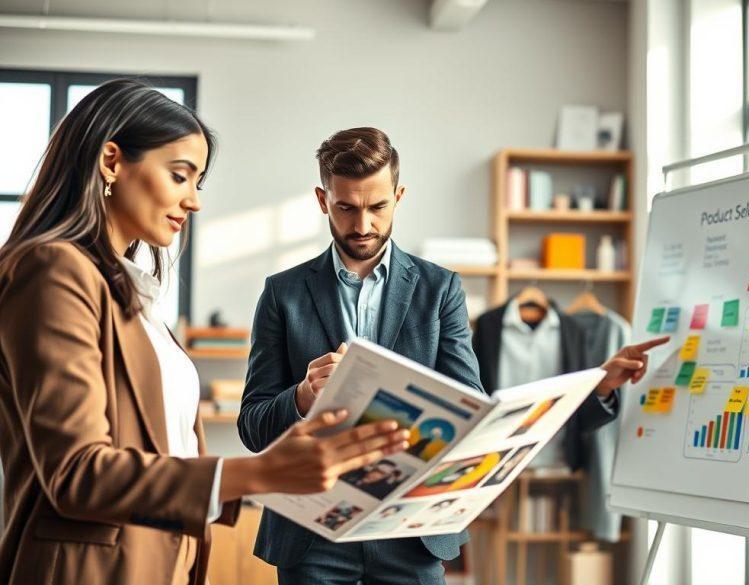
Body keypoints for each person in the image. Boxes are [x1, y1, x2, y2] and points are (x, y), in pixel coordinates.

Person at [0, 80, 410, 585]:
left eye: (198, 183)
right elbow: (78, 473)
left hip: (161, 564)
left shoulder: (132, 293)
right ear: (112, 162)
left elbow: (163, 449)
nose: (193, 201)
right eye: (180, 176)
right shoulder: (52, 269)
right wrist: (261, 471)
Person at [238, 126, 669, 584]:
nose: (363, 225)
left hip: (410, 534)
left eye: (378, 207)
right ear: (323, 200)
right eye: (346, 207)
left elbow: (474, 409)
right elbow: (253, 425)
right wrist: (303, 397)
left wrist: (590, 389)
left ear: (399, 196)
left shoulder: (440, 289)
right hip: (312, 536)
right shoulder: (282, 294)